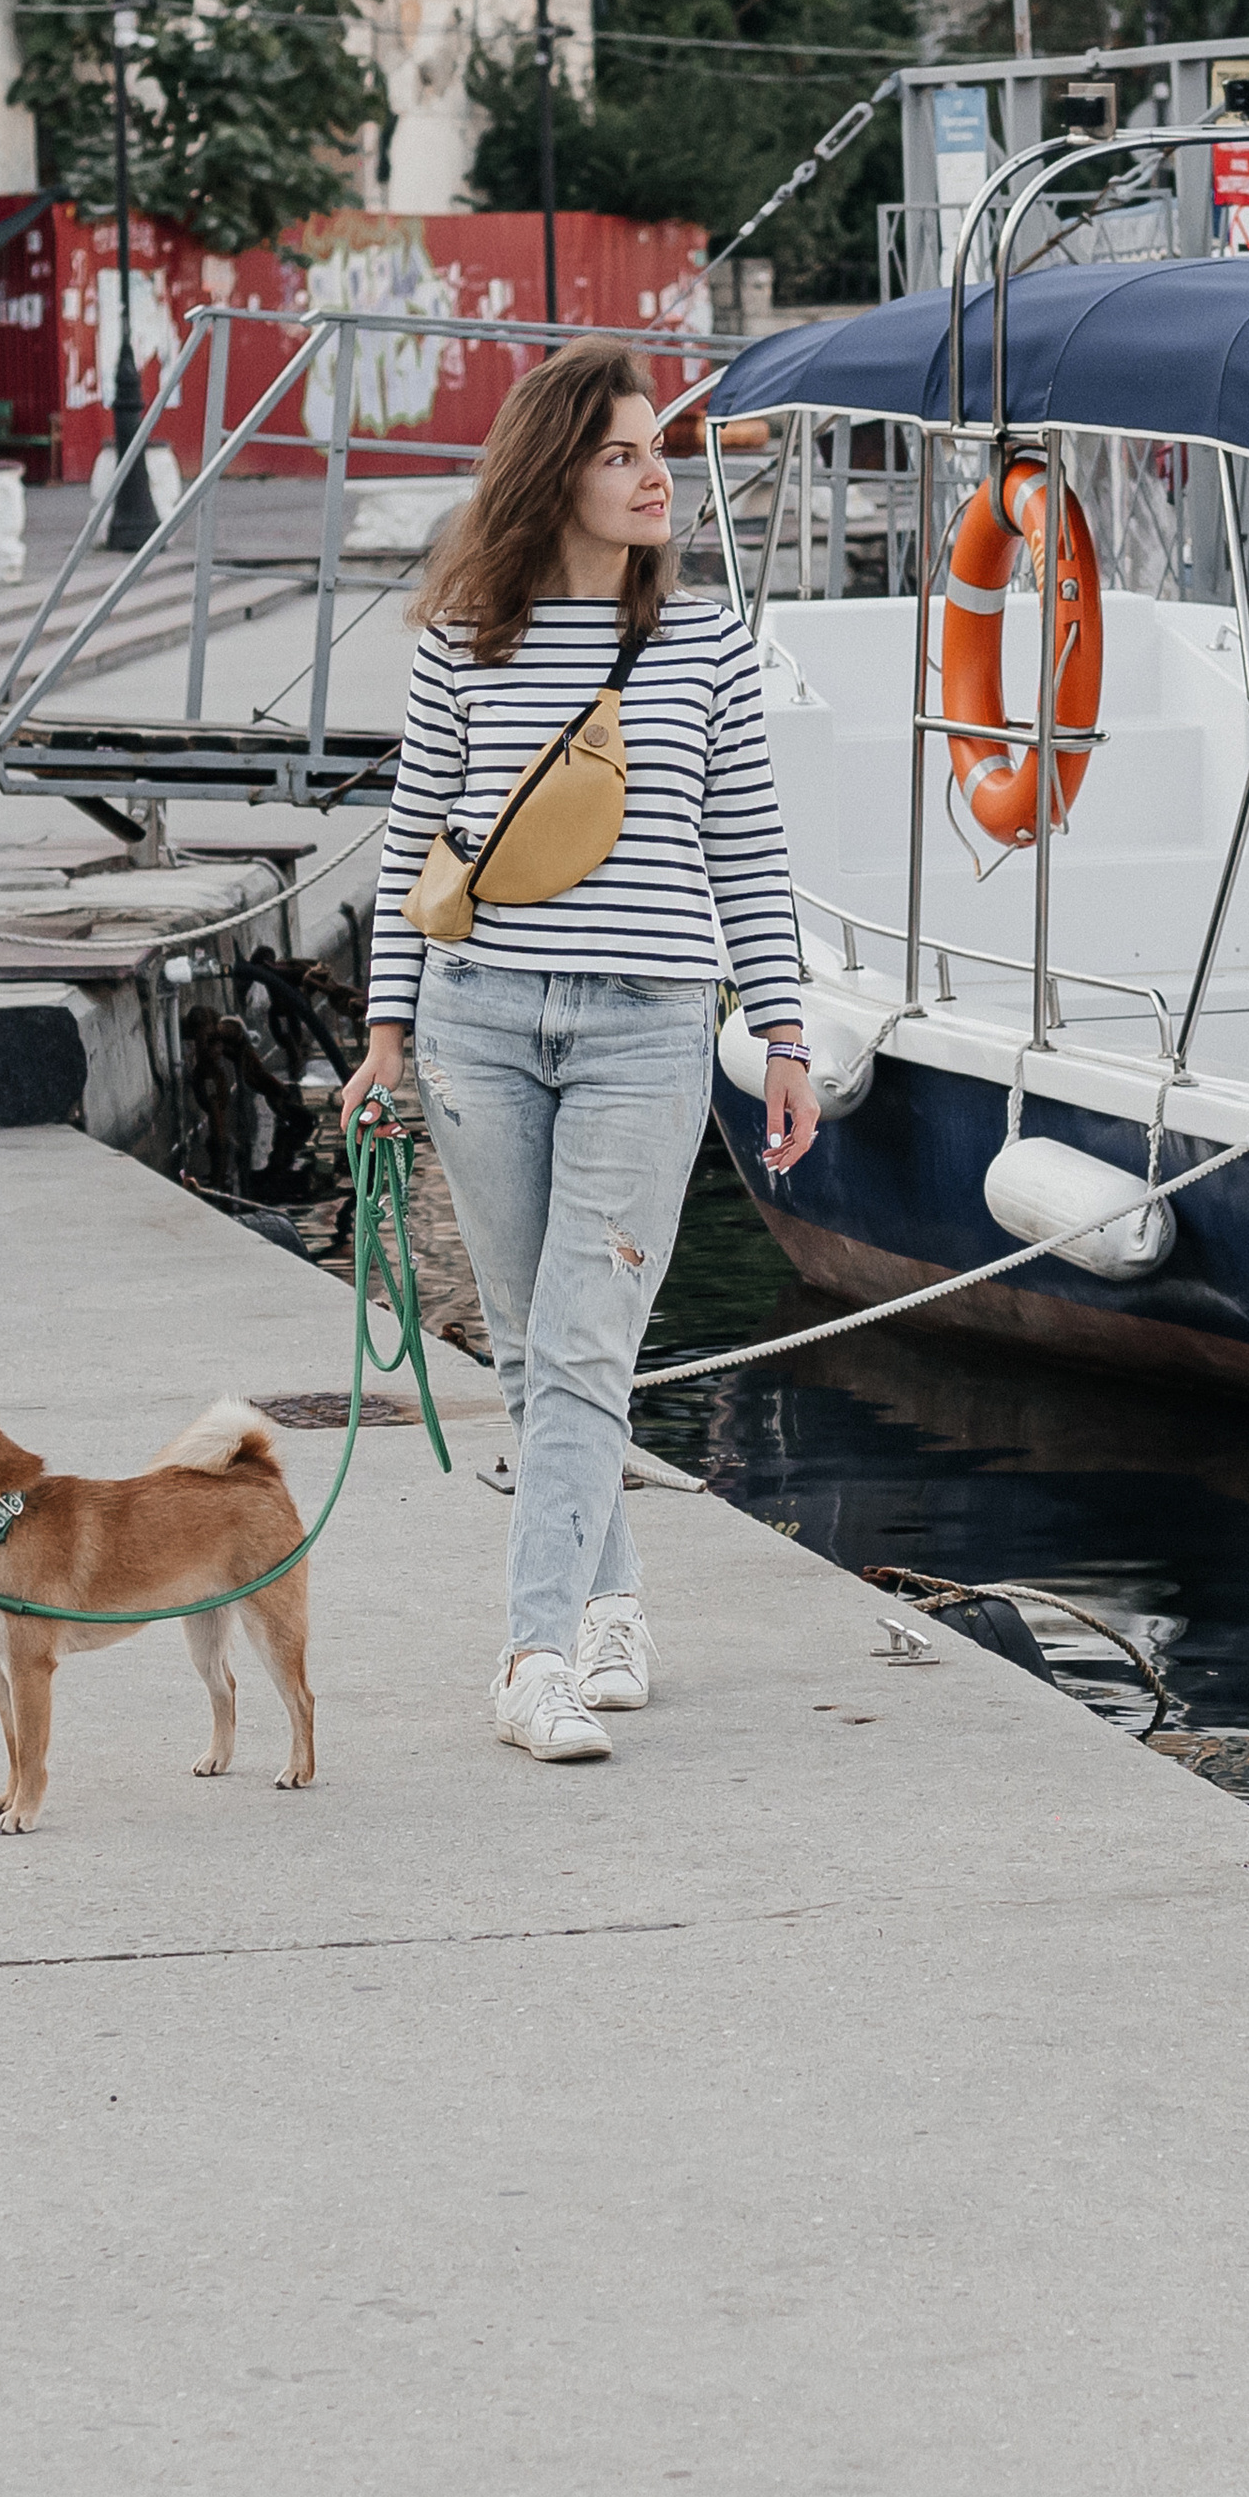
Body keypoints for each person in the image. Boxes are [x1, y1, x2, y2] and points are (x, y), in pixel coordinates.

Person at [342, 339, 817, 1762]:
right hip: (478, 1021)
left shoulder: (708, 643)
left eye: (655, 449)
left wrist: (783, 1029)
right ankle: (608, 1602)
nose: (655, 475)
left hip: (647, 1026)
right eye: (620, 454)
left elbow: (746, 847)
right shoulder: (465, 643)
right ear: (556, 475)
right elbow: (413, 850)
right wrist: (385, 1033)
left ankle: (531, 1653)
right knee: (537, 1346)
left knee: (587, 1335)